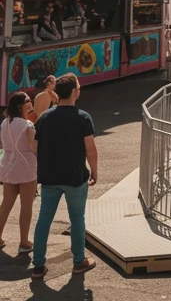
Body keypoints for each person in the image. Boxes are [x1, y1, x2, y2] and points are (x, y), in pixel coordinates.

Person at [31, 74, 97, 280]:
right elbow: (90, 149)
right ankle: (79, 261)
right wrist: (94, 170)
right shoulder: (83, 117)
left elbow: (36, 146)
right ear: (75, 91)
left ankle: (38, 265)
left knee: (44, 219)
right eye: (78, 86)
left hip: (49, 176)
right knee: (77, 218)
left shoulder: (45, 117)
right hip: (75, 176)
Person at [0, 91, 37, 254]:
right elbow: (34, 147)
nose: (31, 102)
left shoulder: (5, 123)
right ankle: (24, 241)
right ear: (20, 105)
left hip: (8, 165)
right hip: (26, 166)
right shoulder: (27, 125)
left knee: (6, 203)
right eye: (28, 101)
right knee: (26, 205)